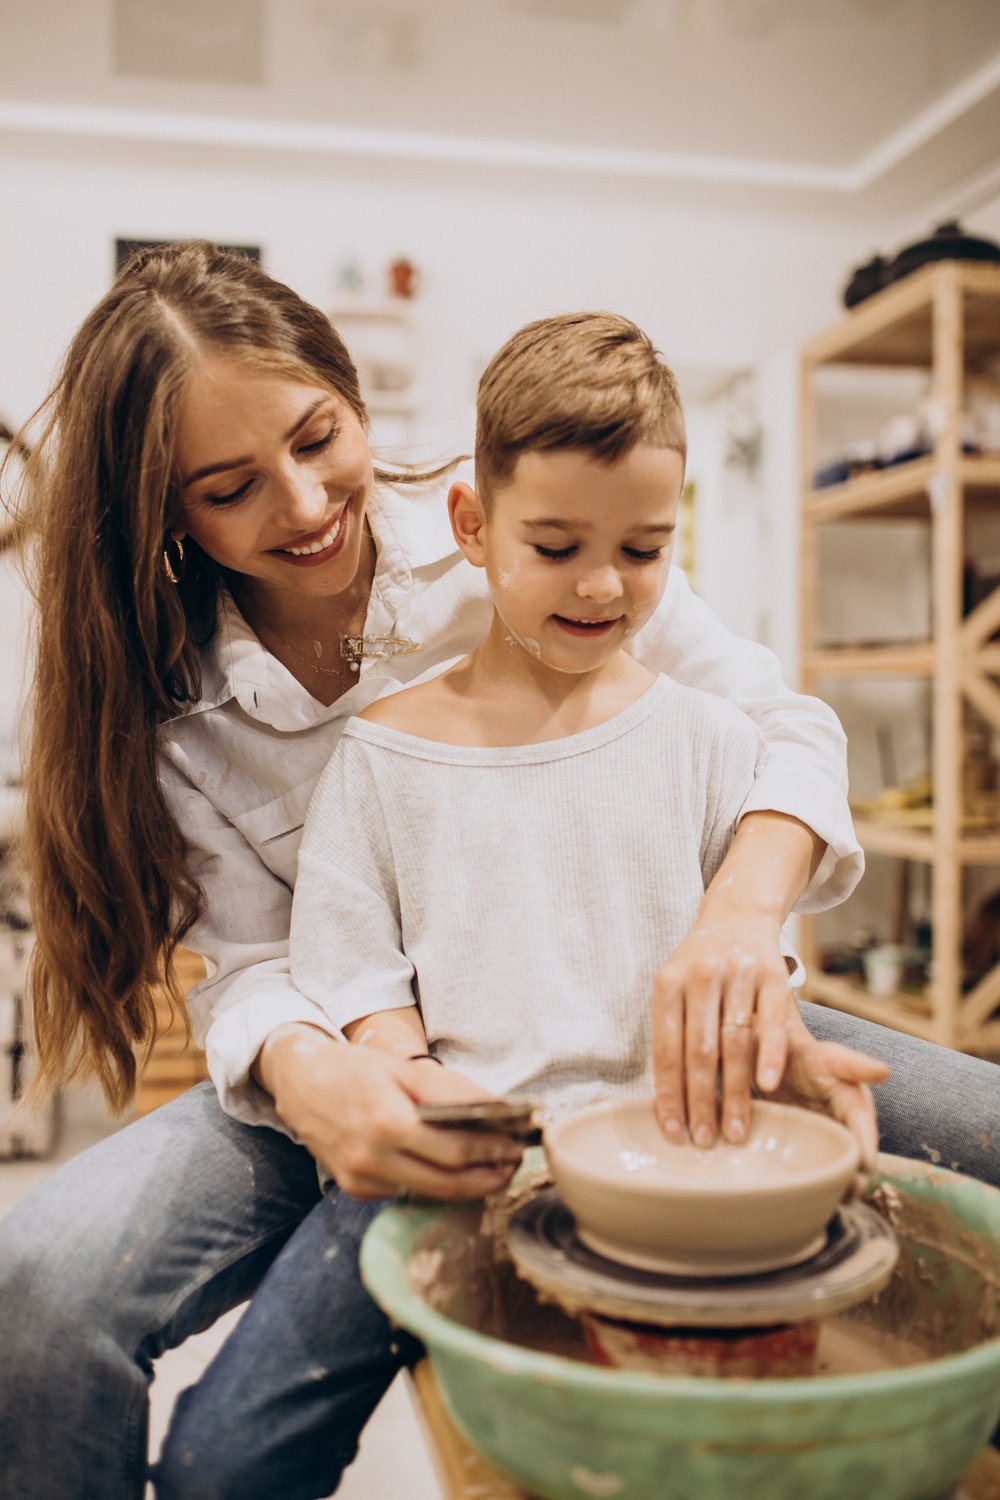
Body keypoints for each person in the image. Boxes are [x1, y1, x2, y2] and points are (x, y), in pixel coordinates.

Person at [0, 244, 994, 1500]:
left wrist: (744, 929)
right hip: (386, 1069)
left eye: (318, 439)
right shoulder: (177, 706)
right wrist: (341, 1081)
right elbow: (254, 970)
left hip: (652, 1020)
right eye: (231, 486)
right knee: (35, 1296)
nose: (305, 505)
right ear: (167, 516)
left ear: (354, 399)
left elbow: (776, 726)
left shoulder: (555, 527)